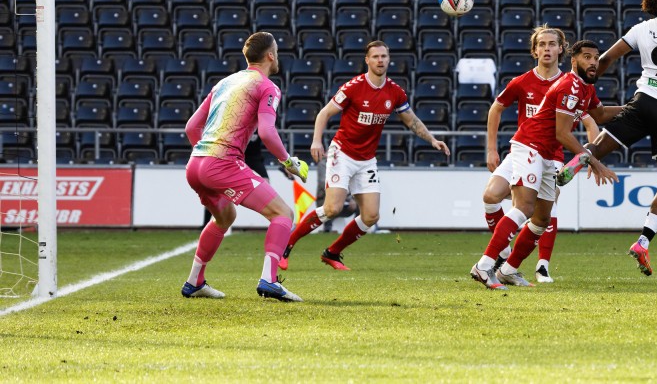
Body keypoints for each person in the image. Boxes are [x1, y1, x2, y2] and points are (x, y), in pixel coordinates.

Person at [557, 0, 657, 277]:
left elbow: (607, 59)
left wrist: (587, 84)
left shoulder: (642, 28)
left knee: (598, 148)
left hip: (642, 101)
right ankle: (643, 242)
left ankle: (572, 165)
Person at [279, 41, 450, 270]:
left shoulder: (395, 92)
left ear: (389, 60)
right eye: (376, 57)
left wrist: (432, 139)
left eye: (384, 56)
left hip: (367, 159)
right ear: (367, 60)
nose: (380, 60)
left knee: (371, 216)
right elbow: (324, 113)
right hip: (343, 153)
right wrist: (316, 140)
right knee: (332, 209)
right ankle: (287, 245)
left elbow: (412, 121)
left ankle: (332, 253)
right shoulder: (353, 87)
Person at [471, 40, 622, 290]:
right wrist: (594, 161)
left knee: (541, 219)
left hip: (549, 156)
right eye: (587, 57)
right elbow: (562, 133)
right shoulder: (569, 86)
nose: (593, 62)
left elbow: (601, 115)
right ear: (573, 60)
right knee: (524, 206)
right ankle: (485, 265)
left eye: (596, 58)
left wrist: (635, 109)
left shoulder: (585, 88)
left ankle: (508, 270)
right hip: (530, 146)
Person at [181, 31, 309, 302]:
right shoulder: (267, 86)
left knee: (224, 217)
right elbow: (267, 132)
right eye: (277, 51)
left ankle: (194, 281)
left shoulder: (225, 82)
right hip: (222, 163)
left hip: (195, 165)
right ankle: (269, 281)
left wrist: (205, 157)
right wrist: (289, 161)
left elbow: (192, 127)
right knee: (283, 213)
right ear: (270, 55)